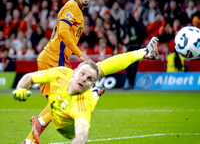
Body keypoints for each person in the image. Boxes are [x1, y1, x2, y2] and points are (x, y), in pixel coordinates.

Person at [11, 36, 159, 144]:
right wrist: (20, 88)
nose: (84, 79)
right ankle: (37, 128)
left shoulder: (83, 105)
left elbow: (81, 136)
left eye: (89, 80)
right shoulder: (61, 73)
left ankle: (94, 93)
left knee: (83, 99)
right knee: (99, 68)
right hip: (66, 96)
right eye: (82, 74)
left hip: (74, 112)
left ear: (90, 84)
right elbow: (29, 77)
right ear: (74, 71)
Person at [21, 0, 99, 143]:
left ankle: (29, 141)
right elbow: (63, 32)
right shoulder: (72, 7)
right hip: (55, 59)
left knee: (58, 102)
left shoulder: (77, 9)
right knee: (70, 97)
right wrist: (81, 56)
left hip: (52, 58)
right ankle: (39, 122)